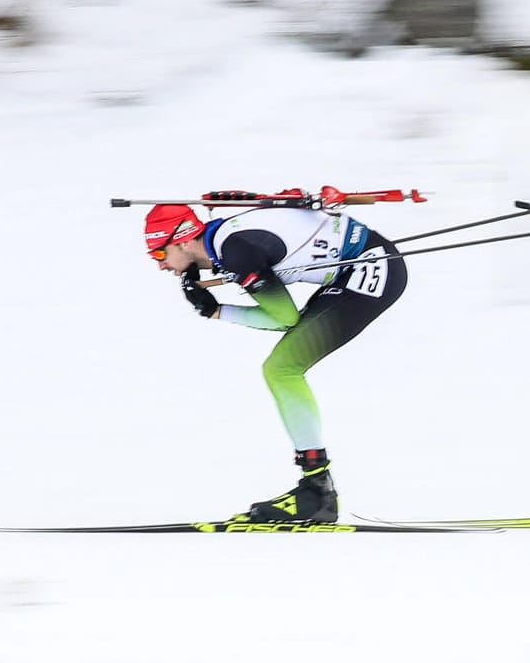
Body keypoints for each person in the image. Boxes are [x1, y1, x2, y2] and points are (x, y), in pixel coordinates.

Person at [143, 200, 406, 523]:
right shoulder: (224, 239)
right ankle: (316, 489)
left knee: (282, 369)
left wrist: (218, 311)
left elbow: (283, 319)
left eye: (160, 253)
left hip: (368, 273)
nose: (160, 266)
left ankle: (317, 492)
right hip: (358, 263)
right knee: (280, 368)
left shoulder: (235, 252)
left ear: (184, 239)